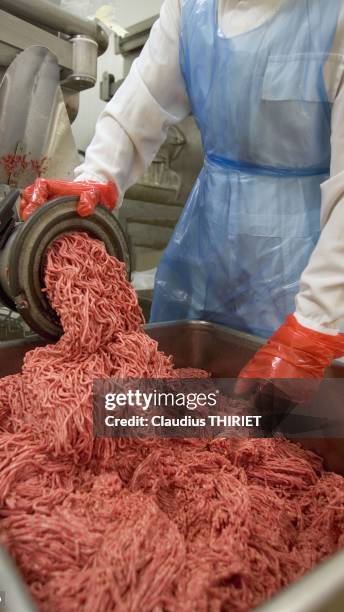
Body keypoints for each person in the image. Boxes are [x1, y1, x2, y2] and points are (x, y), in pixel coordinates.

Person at [22, 0, 344, 382]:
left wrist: (316, 323)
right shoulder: (189, 10)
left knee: (284, 421)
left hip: (308, 258)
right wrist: (97, 175)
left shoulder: (333, 15)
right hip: (206, 240)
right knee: (173, 398)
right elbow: (141, 102)